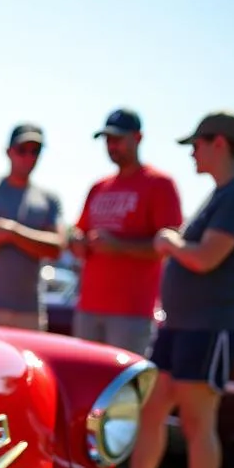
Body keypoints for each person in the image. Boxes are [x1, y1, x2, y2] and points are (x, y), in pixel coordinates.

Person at [122, 111, 234, 468]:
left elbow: (205, 258)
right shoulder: (220, 194)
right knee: (152, 410)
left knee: (198, 421)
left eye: (196, 145)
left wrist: (170, 242)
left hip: (211, 328)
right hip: (181, 328)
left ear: (219, 143)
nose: (191, 153)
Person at [69, 109, 183, 355]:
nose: (112, 146)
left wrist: (118, 246)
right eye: (108, 140)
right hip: (88, 307)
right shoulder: (99, 187)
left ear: (138, 138)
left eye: (118, 139)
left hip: (131, 313)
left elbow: (168, 246)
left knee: (123, 389)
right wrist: (77, 242)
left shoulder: (159, 184)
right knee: (88, 384)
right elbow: (79, 234)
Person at [0, 123, 64, 330]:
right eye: (22, 150)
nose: (28, 157)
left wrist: (13, 233)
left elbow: (57, 247)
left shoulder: (49, 199)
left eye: (35, 151)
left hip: (28, 312)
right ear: (9, 152)